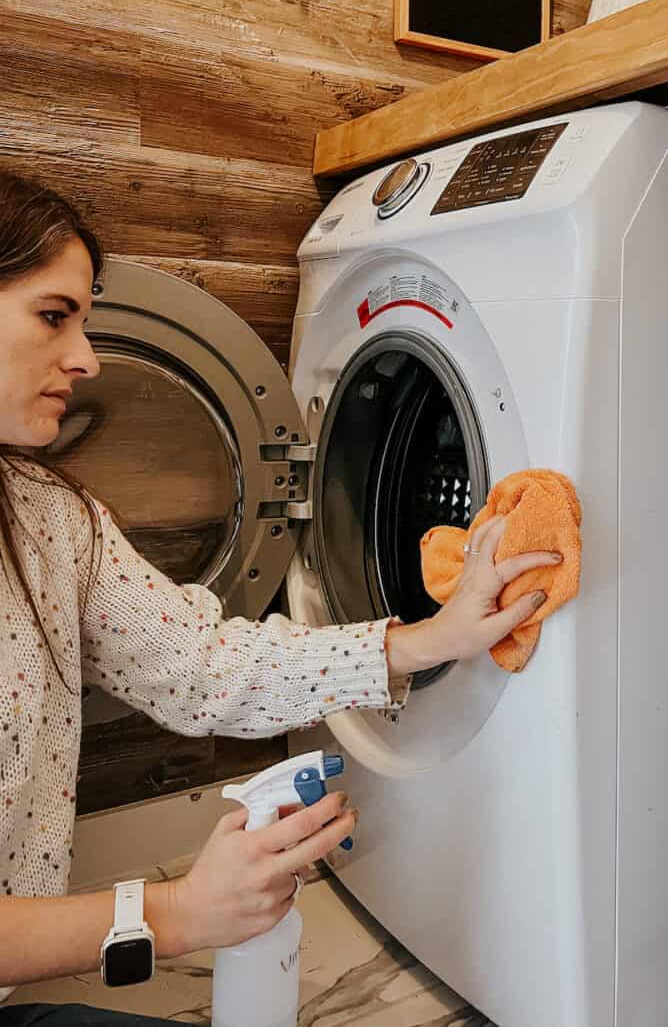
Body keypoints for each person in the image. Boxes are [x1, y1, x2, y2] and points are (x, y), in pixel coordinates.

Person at [0, 173, 558, 1025]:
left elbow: (207, 664)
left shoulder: (50, 522)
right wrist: (178, 913)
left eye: (84, 318)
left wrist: (426, 638)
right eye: (53, 314)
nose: (86, 357)